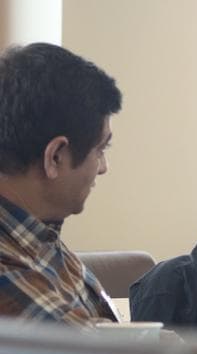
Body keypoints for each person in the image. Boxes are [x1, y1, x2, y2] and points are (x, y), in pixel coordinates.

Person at [0, 43, 122, 324]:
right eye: (100, 150)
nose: (103, 168)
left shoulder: (39, 236)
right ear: (55, 157)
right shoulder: (7, 271)